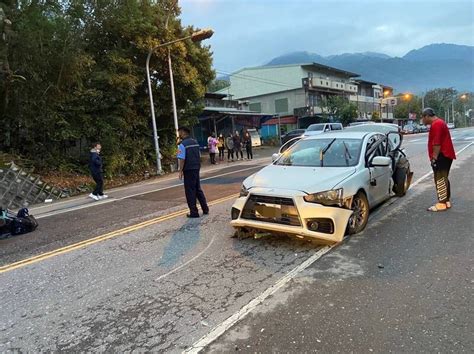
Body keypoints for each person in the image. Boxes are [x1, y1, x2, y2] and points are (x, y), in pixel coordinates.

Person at [421, 107, 456, 212]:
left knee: (439, 178)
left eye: (423, 117)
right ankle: (446, 201)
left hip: (441, 155)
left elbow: (437, 143)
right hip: (445, 155)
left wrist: (434, 158)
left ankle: (442, 203)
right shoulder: (440, 122)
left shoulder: (436, 124)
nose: (422, 120)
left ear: (427, 116)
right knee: (444, 178)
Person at [177, 126, 209, 218]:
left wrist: (180, 171)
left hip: (188, 169)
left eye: (179, 133)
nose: (179, 135)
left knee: (190, 191)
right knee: (197, 188)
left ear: (183, 132)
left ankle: (194, 212)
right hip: (196, 167)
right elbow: (198, 155)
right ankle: (205, 208)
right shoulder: (195, 142)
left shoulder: (182, 145)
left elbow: (182, 159)